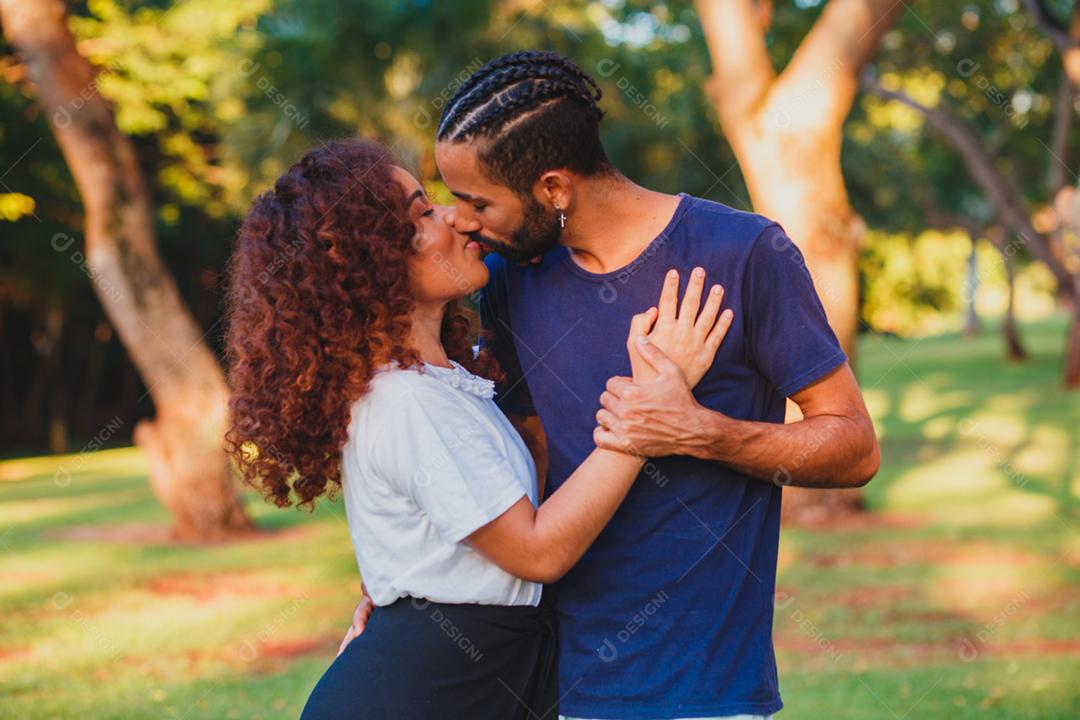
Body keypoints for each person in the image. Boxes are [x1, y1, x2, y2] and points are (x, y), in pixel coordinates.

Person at [343, 51, 880, 720]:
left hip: (701, 689)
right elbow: (515, 468)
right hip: (551, 684)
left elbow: (854, 447)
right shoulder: (513, 283)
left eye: (478, 200)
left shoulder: (743, 254)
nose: (462, 220)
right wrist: (407, 589)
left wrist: (704, 433)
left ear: (554, 189)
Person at [223, 138, 733, 719]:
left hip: (472, 679)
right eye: (423, 213)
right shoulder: (405, 402)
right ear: (375, 261)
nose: (457, 218)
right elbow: (536, 553)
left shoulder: (443, 382)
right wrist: (646, 413)